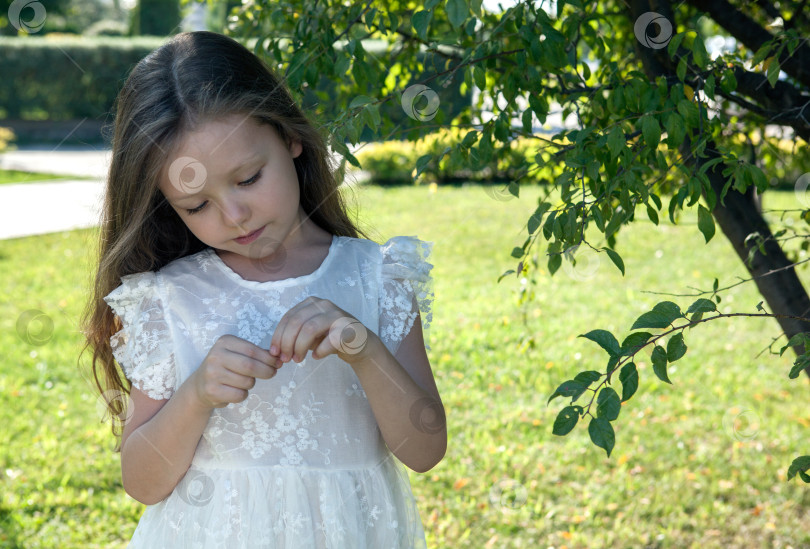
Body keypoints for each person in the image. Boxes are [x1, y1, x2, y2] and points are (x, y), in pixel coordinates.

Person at [80, 30, 446, 548]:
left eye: (248, 178)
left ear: (290, 137)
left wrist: (363, 348)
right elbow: (143, 482)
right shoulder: (169, 300)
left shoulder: (376, 279)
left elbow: (426, 448)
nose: (234, 216)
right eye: (196, 206)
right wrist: (196, 394)